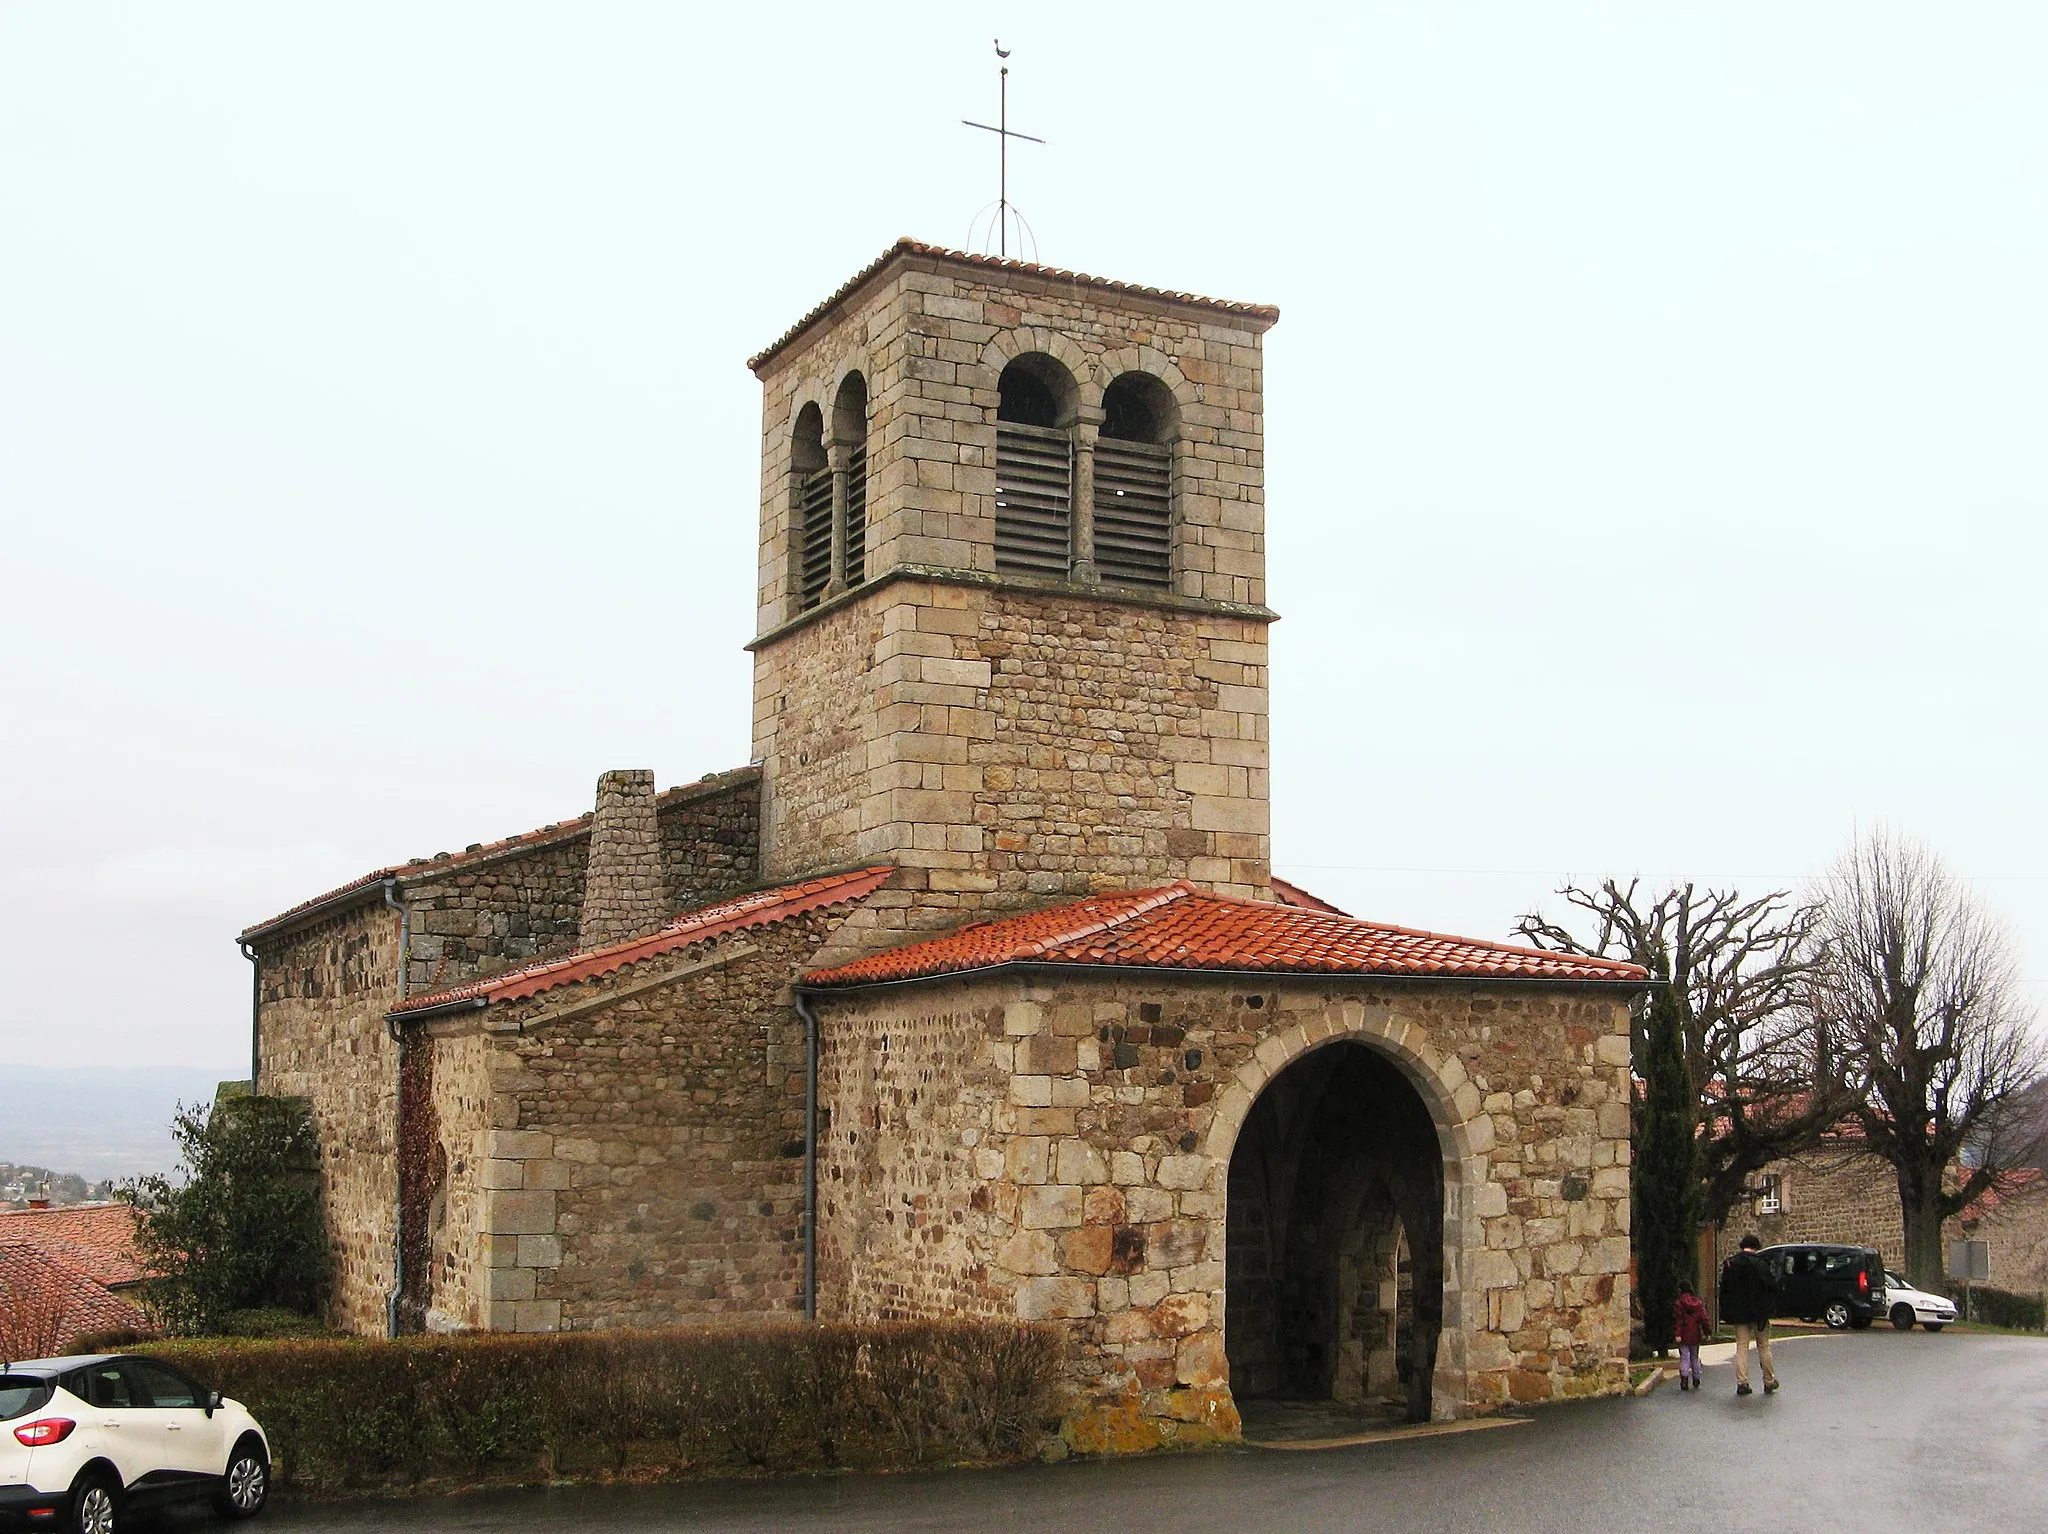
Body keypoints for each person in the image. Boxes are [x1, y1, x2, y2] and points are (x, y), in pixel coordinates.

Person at [1718, 1233, 1780, 1396]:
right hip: (1759, 1313)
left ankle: (1742, 1382)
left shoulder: (1731, 1264)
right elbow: (1772, 1286)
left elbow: (1724, 1289)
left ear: (1742, 1246)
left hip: (1739, 1313)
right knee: (1764, 1346)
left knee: (1741, 1347)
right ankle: (1769, 1381)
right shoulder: (1761, 1264)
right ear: (1756, 1247)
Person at [1673, 1278, 1709, 1391]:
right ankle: (1696, 1378)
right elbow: (1703, 1319)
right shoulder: (1697, 1303)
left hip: (1683, 1335)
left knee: (1684, 1357)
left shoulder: (1679, 1303)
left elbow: (1678, 1320)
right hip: (1695, 1334)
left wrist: (1677, 1334)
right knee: (1694, 1357)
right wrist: (1707, 1331)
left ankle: (1684, 1379)